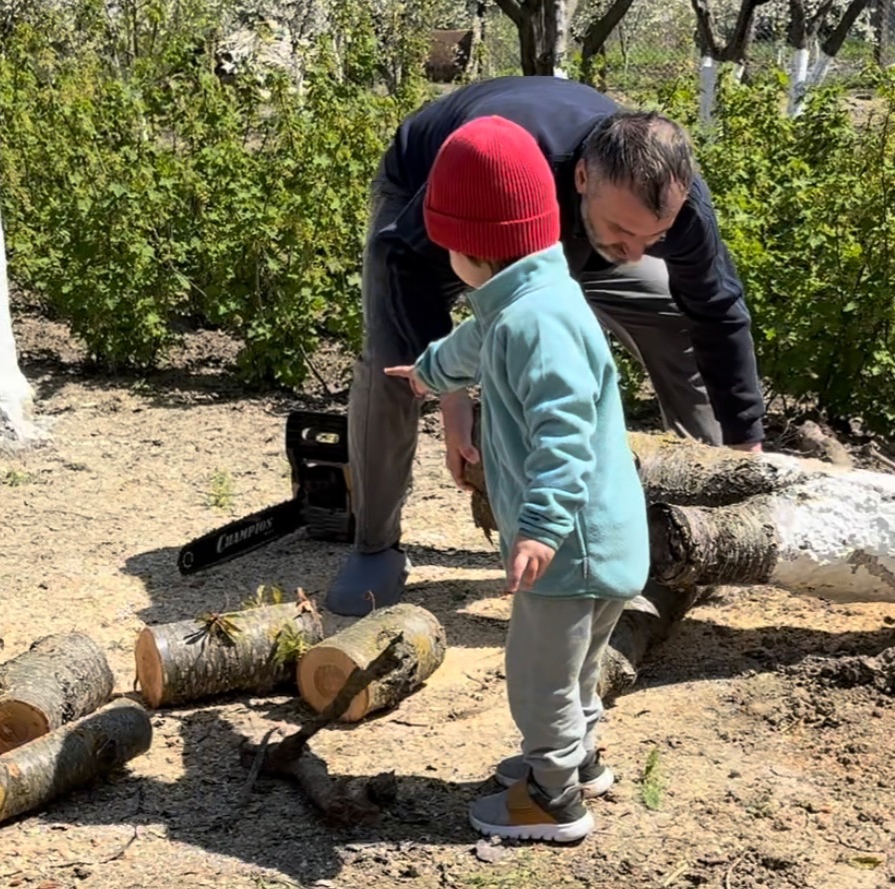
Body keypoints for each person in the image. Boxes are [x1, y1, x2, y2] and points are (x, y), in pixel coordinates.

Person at [327, 75, 766, 616]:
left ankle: (703, 501)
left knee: (669, 311)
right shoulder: (504, 164)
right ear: (583, 176)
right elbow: (403, 262)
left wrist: (745, 445)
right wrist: (451, 392)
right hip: (445, 214)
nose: (633, 253)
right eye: (622, 231)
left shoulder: (672, 202)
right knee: (399, 367)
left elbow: (717, 310)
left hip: (565, 225)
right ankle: (375, 547)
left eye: (652, 238)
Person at [384, 114, 648, 842]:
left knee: (538, 678)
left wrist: (538, 528)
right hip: (597, 544)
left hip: (570, 549)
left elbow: (563, 433)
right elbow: (470, 343)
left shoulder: (534, 324)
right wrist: (430, 374)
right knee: (577, 665)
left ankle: (552, 796)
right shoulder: (527, 297)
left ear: (471, 251)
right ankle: (580, 759)